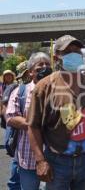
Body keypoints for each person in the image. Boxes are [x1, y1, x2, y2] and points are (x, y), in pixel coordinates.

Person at [26, 35, 85, 190]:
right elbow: (33, 127)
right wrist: (40, 161)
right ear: (56, 57)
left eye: (76, 50)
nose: (73, 54)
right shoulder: (44, 87)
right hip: (56, 162)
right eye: (67, 51)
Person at [6, 52, 52, 190]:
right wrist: (34, 125)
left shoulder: (59, 91)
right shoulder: (21, 92)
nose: (45, 67)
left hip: (55, 159)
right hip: (28, 160)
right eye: (40, 65)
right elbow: (10, 117)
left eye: (47, 64)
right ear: (31, 72)